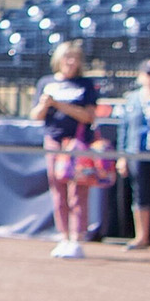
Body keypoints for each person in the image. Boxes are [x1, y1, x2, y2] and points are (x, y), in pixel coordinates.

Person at [33, 38, 100, 258]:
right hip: (54, 143)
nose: (71, 62)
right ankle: (63, 236)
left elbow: (88, 116)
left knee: (78, 191)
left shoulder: (85, 85)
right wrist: (44, 105)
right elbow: (35, 116)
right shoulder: (46, 82)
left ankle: (77, 237)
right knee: (58, 190)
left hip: (78, 143)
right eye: (67, 58)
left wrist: (59, 104)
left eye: (75, 58)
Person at [118, 58, 150, 250]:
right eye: (148, 74)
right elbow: (124, 128)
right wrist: (122, 156)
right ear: (141, 76)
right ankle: (142, 237)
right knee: (140, 194)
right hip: (137, 152)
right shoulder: (132, 98)